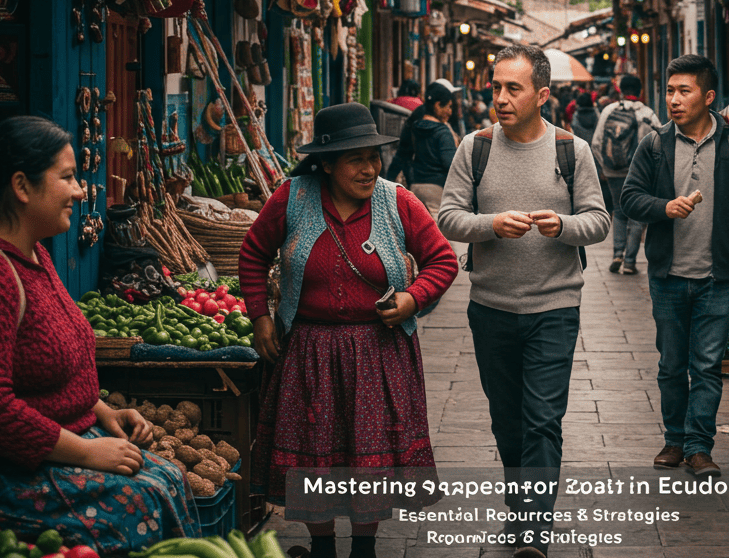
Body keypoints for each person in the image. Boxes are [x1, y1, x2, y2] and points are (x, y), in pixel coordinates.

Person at [0, 116, 199, 550]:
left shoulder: (33, 253)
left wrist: (100, 411)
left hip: (43, 445)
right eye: (69, 177)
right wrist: (87, 452)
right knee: (137, 502)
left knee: (169, 476)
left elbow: (48, 362)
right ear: (22, 186)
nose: (81, 191)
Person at [240, 103, 459, 558]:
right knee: (312, 448)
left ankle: (364, 546)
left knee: (369, 454)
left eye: (373, 157)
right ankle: (321, 546)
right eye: (356, 159)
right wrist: (260, 315)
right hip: (309, 351)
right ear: (326, 163)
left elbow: (443, 259)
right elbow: (254, 253)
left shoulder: (398, 201)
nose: (369, 168)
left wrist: (412, 299)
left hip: (378, 352)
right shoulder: (292, 198)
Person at [437, 44, 610, 558]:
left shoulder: (571, 150)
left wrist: (565, 226)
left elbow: (599, 221)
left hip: (555, 309)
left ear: (542, 94)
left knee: (542, 419)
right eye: (496, 88)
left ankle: (534, 531)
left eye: (514, 89)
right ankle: (520, 510)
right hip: (490, 308)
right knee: (506, 420)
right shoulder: (475, 147)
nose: (502, 98)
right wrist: (490, 225)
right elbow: (447, 216)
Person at [620, 55, 729, 477]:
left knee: (706, 366)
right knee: (671, 364)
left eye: (684, 91)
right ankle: (673, 440)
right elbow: (629, 198)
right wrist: (664, 207)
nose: (674, 100)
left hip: (717, 278)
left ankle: (700, 446)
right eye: (669, 91)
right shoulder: (655, 144)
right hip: (668, 276)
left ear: (708, 96)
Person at [590, 74, 659, 275]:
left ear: (620, 90)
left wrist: (606, 167)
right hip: (638, 174)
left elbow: (596, 142)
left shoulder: (608, 111)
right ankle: (629, 262)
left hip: (613, 171)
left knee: (619, 212)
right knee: (637, 216)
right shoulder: (647, 113)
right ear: (641, 91)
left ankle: (617, 254)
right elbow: (661, 143)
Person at [389, 82, 458, 216]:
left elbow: (402, 154)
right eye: (449, 107)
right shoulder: (443, 131)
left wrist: (388, 181)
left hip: (415, 185)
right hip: (437, 189)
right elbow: (450, 164)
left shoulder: (415, 125)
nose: (450, 111)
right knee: (439, 232)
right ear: (438, 105)